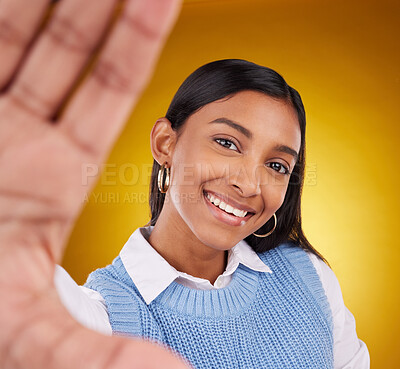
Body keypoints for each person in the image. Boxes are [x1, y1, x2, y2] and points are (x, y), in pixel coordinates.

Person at [0, 2, 369, 369]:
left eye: (276, 165)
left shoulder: (308, 277)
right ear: (166, 144)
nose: (248, 183)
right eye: (226, 143)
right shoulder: (101, 317)